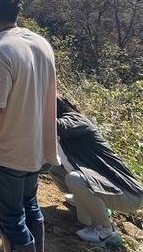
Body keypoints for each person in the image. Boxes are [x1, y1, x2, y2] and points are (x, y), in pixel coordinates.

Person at [0, 0, 58, 252]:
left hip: (8, 154)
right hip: (36, 150)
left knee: (11, 220)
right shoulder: (40, 42)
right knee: (30, 209)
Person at [51, 97, 143, 244]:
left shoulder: (78, 121)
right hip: (109, 188)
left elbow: (54, 125)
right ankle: (87, 202)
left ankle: (106, 230)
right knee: (52, 164)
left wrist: (32, 109)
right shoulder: (66, 130)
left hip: (129, 194)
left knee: (75, 179)